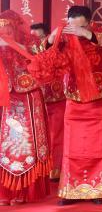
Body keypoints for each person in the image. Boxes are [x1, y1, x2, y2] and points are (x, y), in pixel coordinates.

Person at [45, 5, 102, 205]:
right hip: (74, 99)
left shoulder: (100, 32)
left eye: (81, 26)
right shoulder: (64, 35)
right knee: (72, 147)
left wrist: (85, 33)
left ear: (89, 22)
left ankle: (97, 191)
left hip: (97, 98)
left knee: (98, 146)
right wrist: (51, 39)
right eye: (72, 25)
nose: (74, 29)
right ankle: (71, 191)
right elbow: (41, 53)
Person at [0, 11, 51, 205]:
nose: (5, 33)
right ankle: (7, 190)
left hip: (29, 95)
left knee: (28, 143)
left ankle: (25, 190)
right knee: (8, 144)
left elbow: (42, 55)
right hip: (9, 97)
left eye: (8, 29)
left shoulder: (31, 43)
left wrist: (12, 44)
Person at [28, 23, 66, 182]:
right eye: (32, 37)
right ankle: (40, 169)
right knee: (38, 135)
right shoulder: (27, 48)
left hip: (57, 98)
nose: (37, 41)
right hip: (37, 98)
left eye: (40, 37)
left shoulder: (57, 46)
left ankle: (55, 169)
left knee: (57, 134)